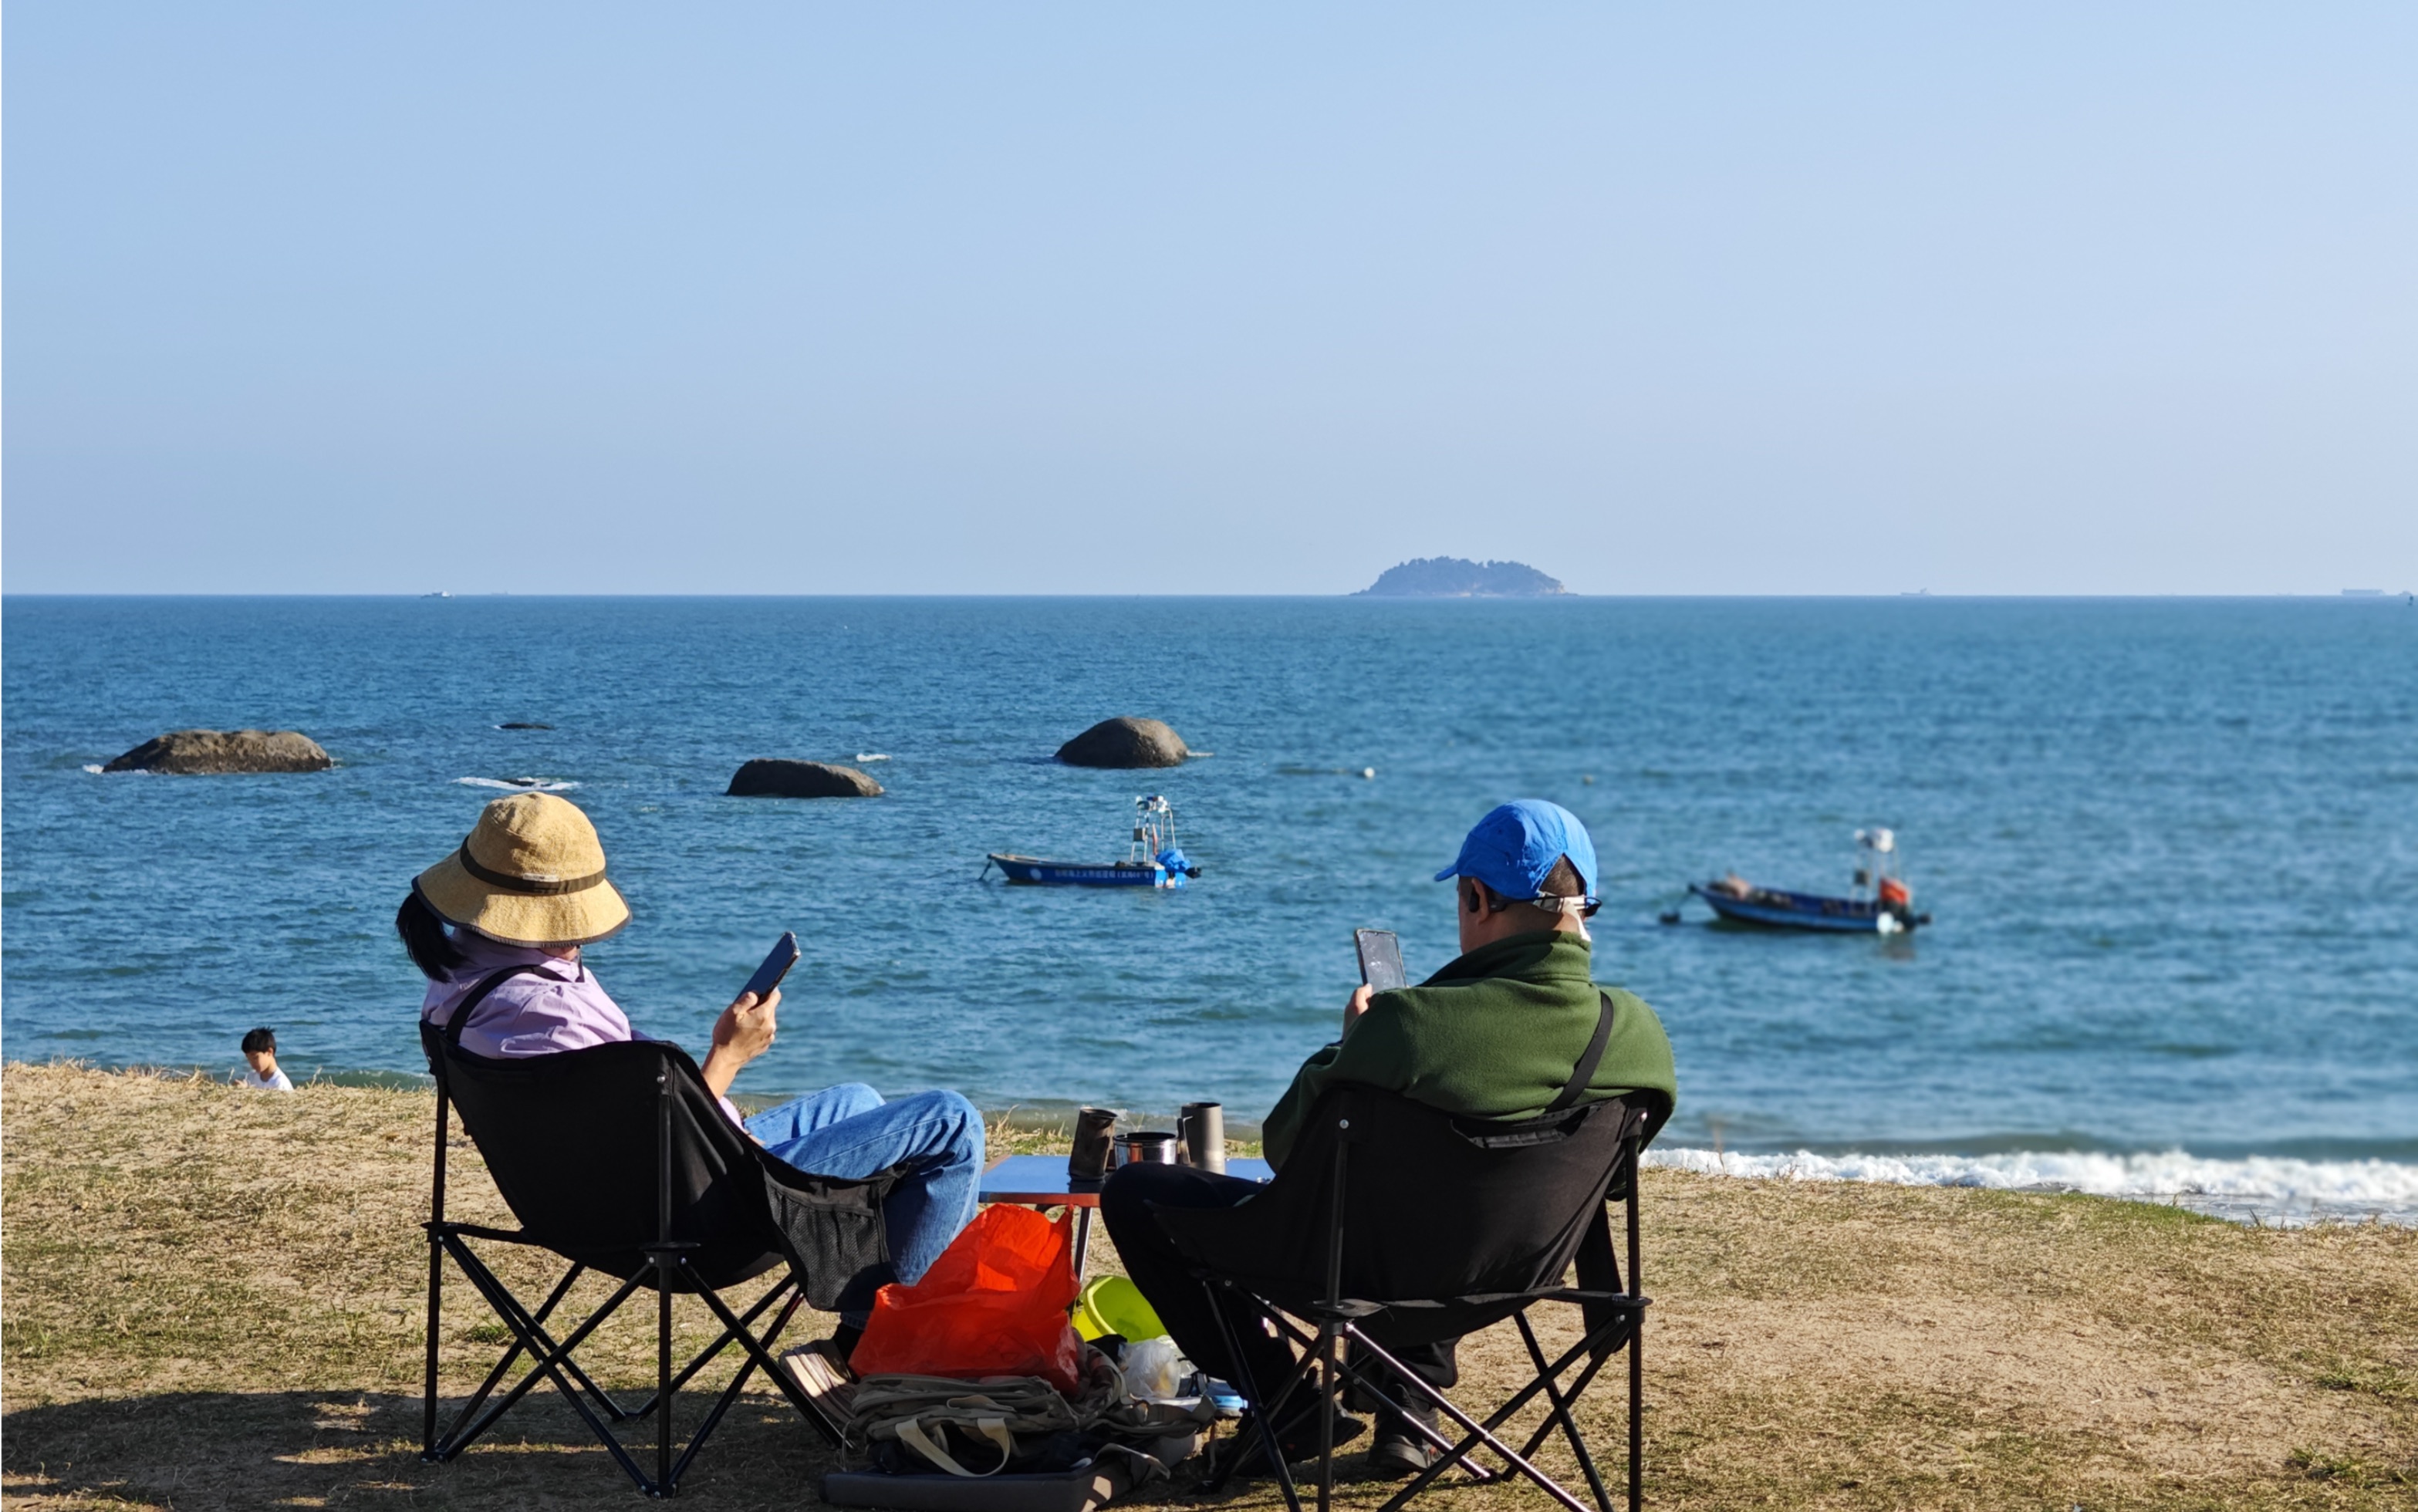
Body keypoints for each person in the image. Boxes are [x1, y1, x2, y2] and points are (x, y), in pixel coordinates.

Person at [1101, 800, 1677, 1477]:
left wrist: (1352, 1044)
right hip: (1517, 1272)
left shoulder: (1407, 1026)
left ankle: (1288, 1407)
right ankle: (1406, 1412)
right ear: (1584, 906)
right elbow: (1610, 1181)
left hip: (1370, 1276)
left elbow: (1288, 1149)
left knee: (1135, 1193)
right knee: (1431, 1204)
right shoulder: (1637, 1031)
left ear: (1478, 896)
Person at [402, 791, 984, 1362]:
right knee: (951, 1123)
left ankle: (860, 1332)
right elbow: (641, 1147)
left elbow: (606, 1124)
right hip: (689, 1224)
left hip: (568, 1208)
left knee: (859, 1099)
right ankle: (873, 1351)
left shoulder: (459, 982)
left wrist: (726, 1126)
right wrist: (729, 1054)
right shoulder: (548, 1010)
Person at [237, 1027, 294, 1091]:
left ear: (270, 1052)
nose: (252, 1063)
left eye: (255, 1058)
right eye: (248, 1058)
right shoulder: (252, 1076)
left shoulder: (280, 1083)